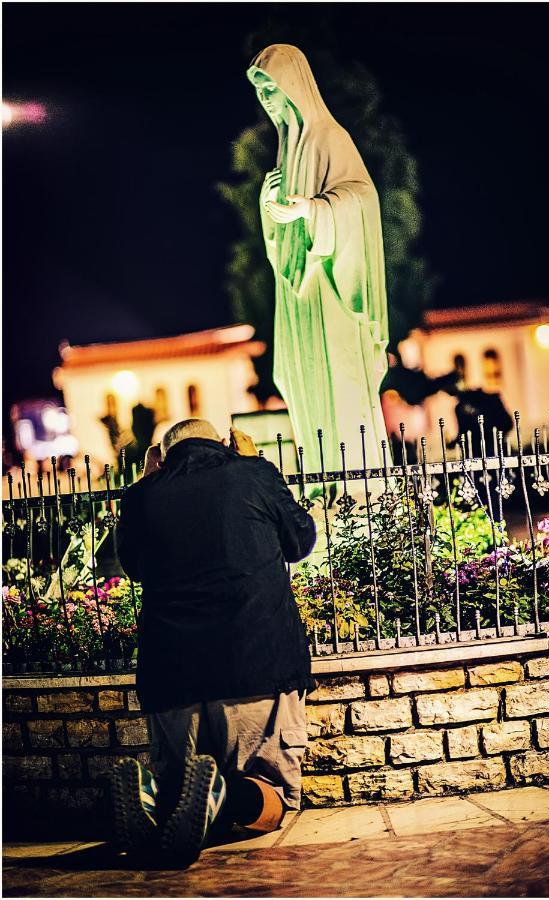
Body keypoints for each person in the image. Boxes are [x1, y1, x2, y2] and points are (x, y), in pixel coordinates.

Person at [112, 418, 316, 865]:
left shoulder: (141, 496)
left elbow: (132, 566)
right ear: (224, 442)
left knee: (182, 782)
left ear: (161, 458)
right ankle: (224, 800)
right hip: (257, 665)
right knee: (272, 792)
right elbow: (300, 540)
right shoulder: (254, 473)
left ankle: (156, 798)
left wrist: (148, 482)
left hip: (171, 677)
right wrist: (254, 462)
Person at [248, 44, 389, 475]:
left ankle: (360, 485)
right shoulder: (286, 153)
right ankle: (323, 483)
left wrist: (310, 209)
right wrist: (268, 205)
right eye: (261, 92)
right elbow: (279, 236)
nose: (267, 100)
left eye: (272, 88)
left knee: (339, 386)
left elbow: (362, 199)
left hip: (330, 288)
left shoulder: (330, 138)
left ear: (294, 87)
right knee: (306, 385)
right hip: (298, 296)